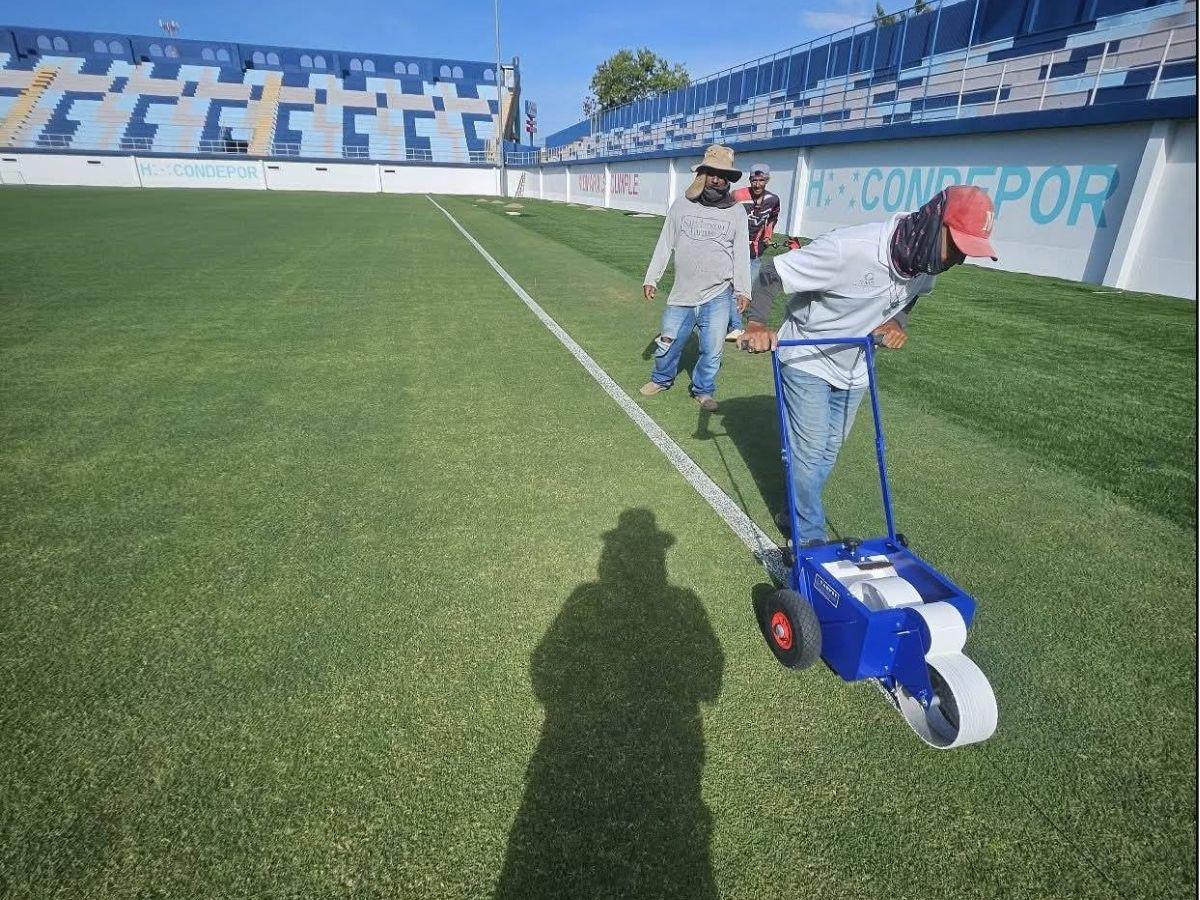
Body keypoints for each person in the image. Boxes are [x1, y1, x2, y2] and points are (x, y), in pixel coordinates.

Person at [738, 185, 999, 547]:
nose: (958, 259)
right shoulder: (849, 249)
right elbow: (771, 273)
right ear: (933, 224)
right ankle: (809, 539)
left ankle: (791, 512)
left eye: (966, 251)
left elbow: (911, 299)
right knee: (809, 453)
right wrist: (756, 324)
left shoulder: (925, 262)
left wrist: (896, 323)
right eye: (956, 246)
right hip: (806, 356)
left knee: (828, 450)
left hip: (856, 366)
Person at [641, 144, 751, 413]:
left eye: (723, 175)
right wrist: (652, 277)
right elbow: (665, 242)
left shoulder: (736, 211)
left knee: (712, 350)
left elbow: (741, 253)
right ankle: (661, 379)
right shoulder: (682, 205)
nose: (717, 179)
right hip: (682, 293)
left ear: (729, 179)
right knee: (668, 343)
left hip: (718, 294)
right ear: (702, 174)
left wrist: (743, 290)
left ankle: (703, 390)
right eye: (712, 173)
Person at [726, 162, 781, 342]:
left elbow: (772, 219)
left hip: (755, 252)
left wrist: (768, 236)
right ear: (750, 180)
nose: (757, 184)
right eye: (754, 180)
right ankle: (735, 326)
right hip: (733, 250)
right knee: (731, 288)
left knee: (746, 290)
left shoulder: (773, 200)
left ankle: (733, 325)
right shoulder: (737, 195)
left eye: (761, 180)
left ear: (767, 180)